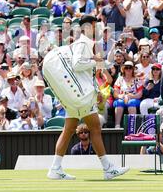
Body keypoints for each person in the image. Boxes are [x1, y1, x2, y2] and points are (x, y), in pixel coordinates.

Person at [45, 15, 129, 180]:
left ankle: (55, 168)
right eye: (96, 25)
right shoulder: (84, 42)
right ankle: (108, 169)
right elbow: (77, 65)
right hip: (80, 96)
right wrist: (96, 61)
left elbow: (83, 73)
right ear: (90, 26)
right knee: (95, 128)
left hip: (77, 95)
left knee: (69, 130)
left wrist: (96, 84)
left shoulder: (84, 43)